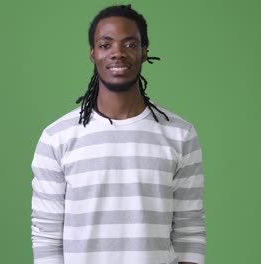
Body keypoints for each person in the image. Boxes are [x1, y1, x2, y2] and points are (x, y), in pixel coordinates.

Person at [31, 4, 205, 264]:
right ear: (92, 54)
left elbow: (189, 230)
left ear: (145, 52)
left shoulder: (180, 135)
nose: (118, 53)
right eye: (106, 44)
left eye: (130, 44)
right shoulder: (57, 138)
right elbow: (46, 236)